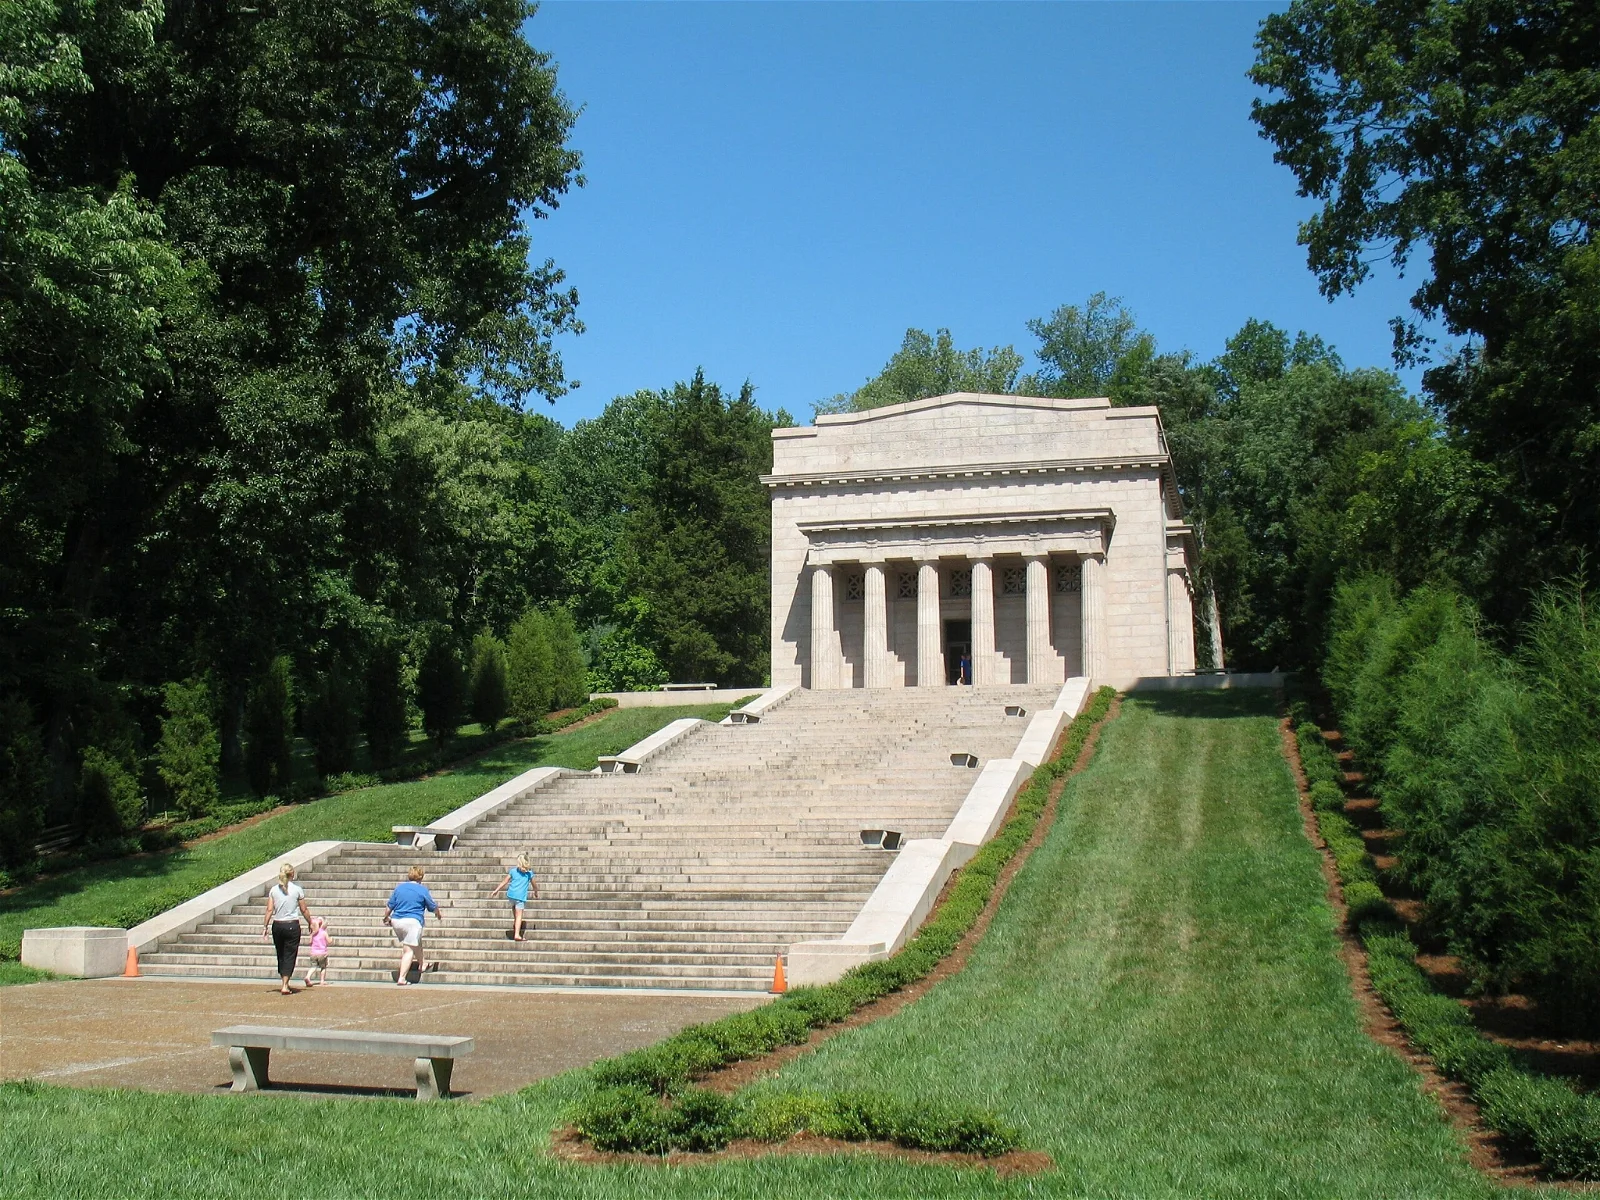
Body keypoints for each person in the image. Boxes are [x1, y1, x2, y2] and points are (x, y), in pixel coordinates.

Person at [261, 862, 314, 995]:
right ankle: (285, 984)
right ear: (292, 874)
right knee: (290, 954)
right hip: (292, 925)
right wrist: (310, 922)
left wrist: (265, 926)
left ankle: (284, 982)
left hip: (277, 925)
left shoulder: (274, 890)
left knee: (281, 954)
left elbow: (269, 910)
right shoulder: (297, 890)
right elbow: (304, 909)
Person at [384, 865, 441, 986]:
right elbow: (432, 906)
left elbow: (389, 906)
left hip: (397, 920)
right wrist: (438, 914)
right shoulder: (422, 889)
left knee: (416, 941)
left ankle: (423, 964)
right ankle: (402, 978)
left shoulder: (400, 888)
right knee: (408, 950)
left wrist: (386, 917)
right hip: (412, 921)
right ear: (421, 877)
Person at [489, 853, 539, 941]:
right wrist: (535, 892)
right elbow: (534, 885)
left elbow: (505, 881)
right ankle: (517, 934)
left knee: (515, 910)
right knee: (519, 915)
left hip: (511, 895)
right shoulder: (529, 874)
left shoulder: (513, 871)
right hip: (520, 897)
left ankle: (516, 924)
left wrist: (496, 890)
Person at [302, 915, 331, 988]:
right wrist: (331, 939)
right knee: (323, 967)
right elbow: (329, 941)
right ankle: (322, 981)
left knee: (313, 967)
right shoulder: (324, 932)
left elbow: (310, 942)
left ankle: (308, 976)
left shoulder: (313, 934)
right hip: (322, 953)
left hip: (313, 953)